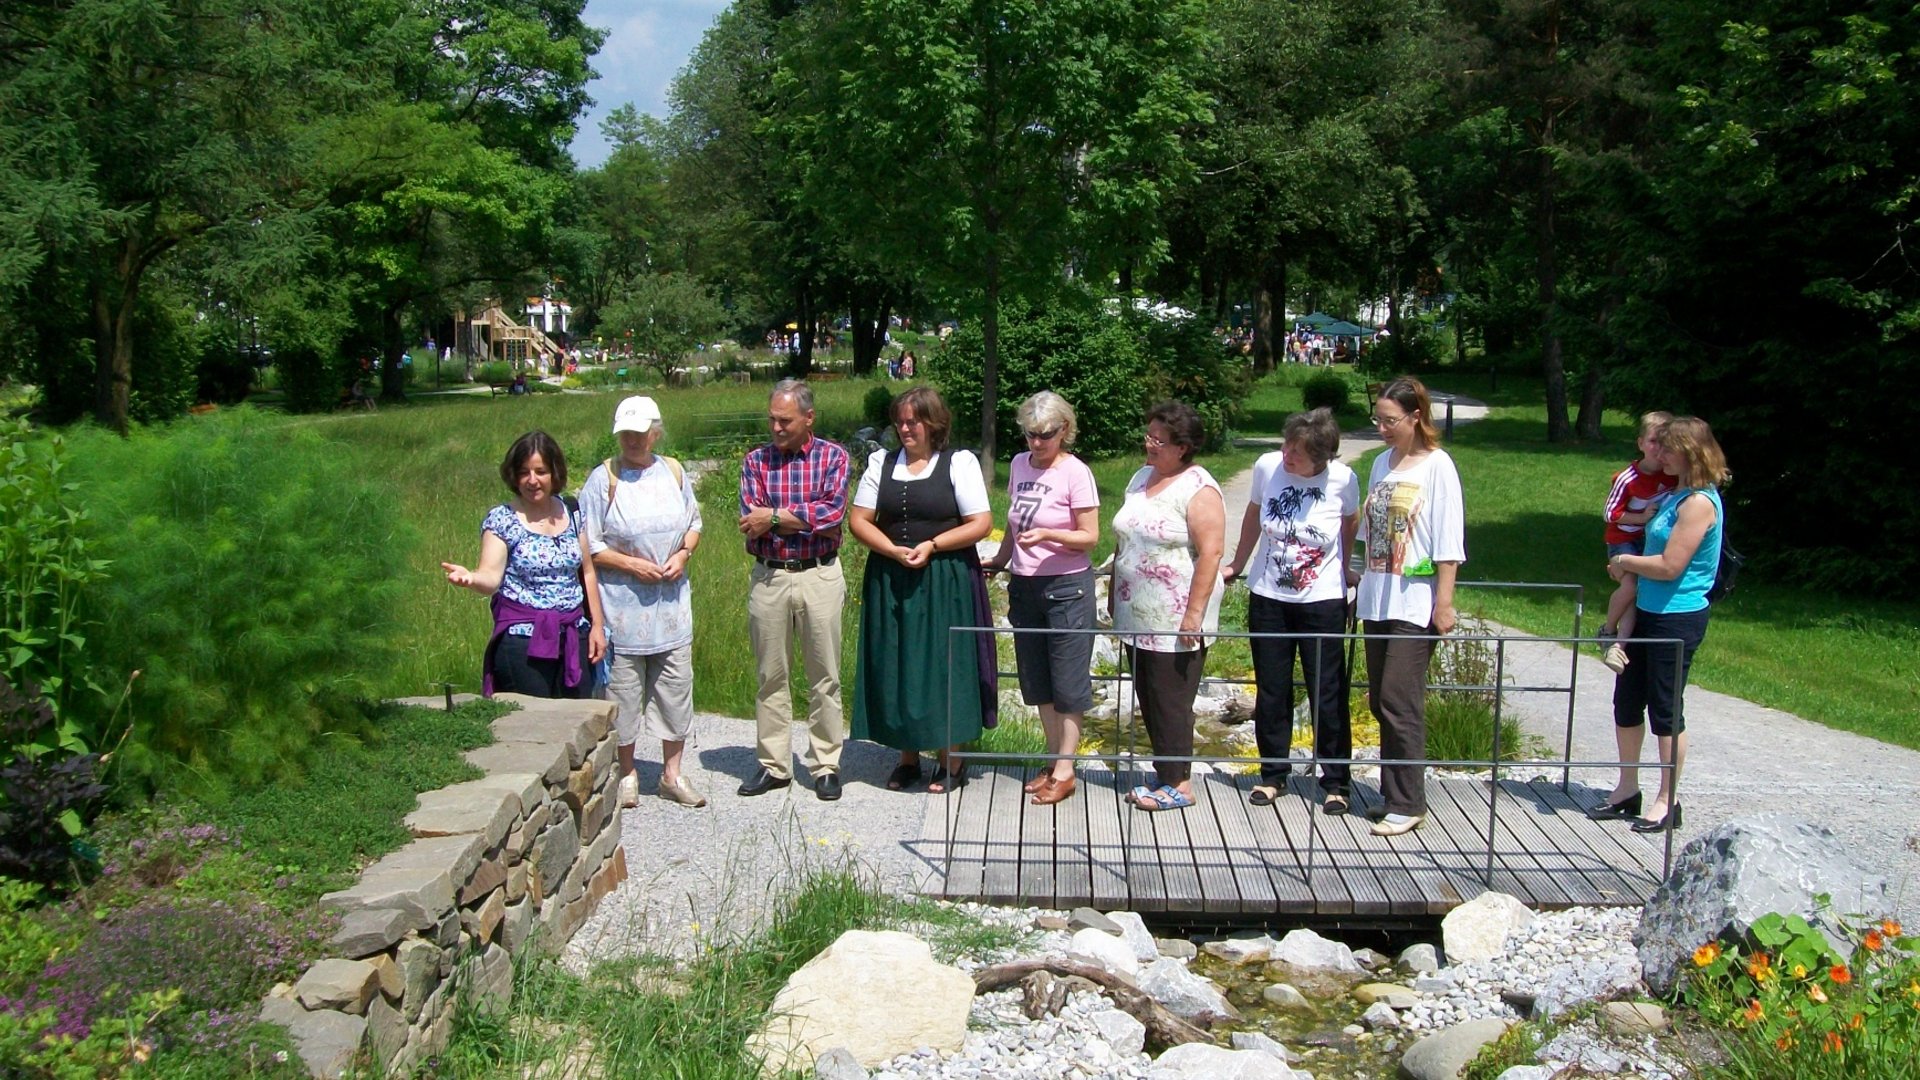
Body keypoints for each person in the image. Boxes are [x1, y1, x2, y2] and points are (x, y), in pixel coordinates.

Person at [849, 387, 996, 793]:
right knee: (899, 662)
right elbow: (859, 520)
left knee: (945, 663)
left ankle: (952, 758)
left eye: (913, 420)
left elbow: (980, 522)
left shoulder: (958, 463)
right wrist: (892, 550)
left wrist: (933, 545)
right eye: (900, 420)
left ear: (933, 423)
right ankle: (907, 756)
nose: (905, 427)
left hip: (945, 576)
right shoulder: (882, 462)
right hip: (891, 573)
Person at [1590, 416, 1728, 834]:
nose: (1659, 455)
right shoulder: (1676, 493)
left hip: (1677, 616)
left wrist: (1624, 562)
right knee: (1627, 701)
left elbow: (1670, 566)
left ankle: (1668, 799)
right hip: (1648, 610)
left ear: (1689, 452)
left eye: (1667, 449)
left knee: (1665, 709)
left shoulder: (1699, 502)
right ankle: (1627, 788)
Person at [1223, 407, 1361, 814]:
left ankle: (1336, 780)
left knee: (1328, 690)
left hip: (1321, 600)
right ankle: (1273, 774)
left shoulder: (1342, 480)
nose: (1286, 454)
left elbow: (1349, 523)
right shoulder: (1267, 468)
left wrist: (1344, 567)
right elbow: (1252, 515)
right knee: (1272, 687)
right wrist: (1237, 563)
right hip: (1268, 596)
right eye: (1286, 445)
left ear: (1321, 457)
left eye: (1297, 452)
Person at [581, 396, 705, 810]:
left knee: (675, 691)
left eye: (641, 432)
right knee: (624, 693)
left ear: (655, 432)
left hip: (671, 608)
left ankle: (672, 774)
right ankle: (628, 772)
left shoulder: (673, 471)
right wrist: (632, 564)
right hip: (621, 610)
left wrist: (683, 554)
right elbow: (589, 545)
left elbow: (693, 523)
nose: (633, 440)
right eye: (626, 433)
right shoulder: (604, 479)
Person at [1356, 377, 1465, 837]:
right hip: (1377, 596)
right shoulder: (1381, 463)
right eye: (1377, 419)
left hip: (1415, 601)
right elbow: (1370, 531)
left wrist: (1444, 600)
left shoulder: (1438, 466)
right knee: (1381, 697)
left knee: (1400, 698)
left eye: (1389, 420)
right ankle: (1392, 790)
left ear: (1416, 417)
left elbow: (1448, 539)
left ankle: (1408, 800)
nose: (1381, 427)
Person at [982, 392, 1100, 806]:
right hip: (1025, 584)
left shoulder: (1076, 472)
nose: (1037, 443)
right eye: (1031, 434)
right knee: (1037, 680)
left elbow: (1090, 537)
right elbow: (1014, 522)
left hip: (1068, 585)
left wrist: (1050, 535)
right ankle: (1052, 761)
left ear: (1064, 430)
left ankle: (1066, 770)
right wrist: (998, 559)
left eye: (1046, 435)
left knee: (1068, 682)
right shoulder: (1018, 464)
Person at [737, 380, 852, 801]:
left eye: (784, 420)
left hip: (818, 573)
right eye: (771, 419)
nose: (776, 427)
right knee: (771, 675)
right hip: (769, 576)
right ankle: (774, 765)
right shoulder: (755, 461)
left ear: (808, 418)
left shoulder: (833, 457)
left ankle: (825, 764)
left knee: (825, 675)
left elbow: (832, 512)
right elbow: (751, 519)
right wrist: (780, 518)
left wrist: (774, 517)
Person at [1112, 401, 1226, 812]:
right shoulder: (1142, 476)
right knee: (1150, 694)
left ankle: (1180, 782)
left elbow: (1211, 552)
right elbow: (1124, 536)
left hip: (1175, 615)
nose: (1149, 444)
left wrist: (1193, 615)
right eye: (1149, 435)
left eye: (1159, 440)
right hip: (1136, 611)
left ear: (1183, 447)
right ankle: (1164, 774)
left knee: (1172, 697)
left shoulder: (1198, 488)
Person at [443, 431, 607, 698]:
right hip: (524, 642)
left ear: (554, 472)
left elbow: (587, 571)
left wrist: (597, 626)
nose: (532, 481)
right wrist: (471, 578)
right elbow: (490, 577)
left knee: (578, 721)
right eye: (523, 472)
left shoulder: (573, 511)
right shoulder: (503, 520)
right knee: (532, 726)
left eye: (540, 471)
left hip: (574, 634)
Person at [1599, 412, 1676, 674]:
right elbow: (1609, 514)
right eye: (1654, 441)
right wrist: (1641, 517)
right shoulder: (1627, 478)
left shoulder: (1672, 476)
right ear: (1641, 443)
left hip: (1646, 542)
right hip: (1622, 540)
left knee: (1637, 591)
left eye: (1666, 443)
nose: (1659, 449)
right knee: (1630, 585)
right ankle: (1607, 631)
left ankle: (1619, 647)